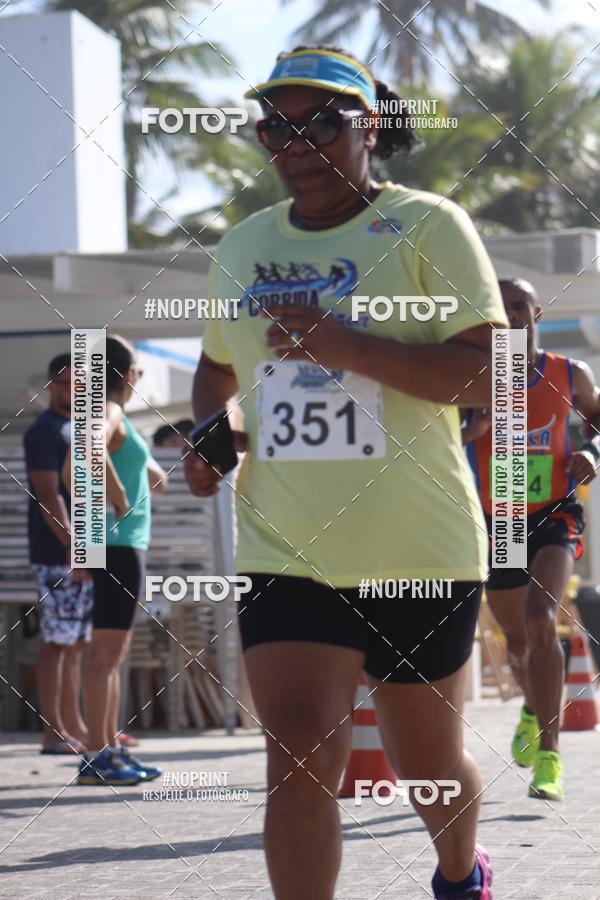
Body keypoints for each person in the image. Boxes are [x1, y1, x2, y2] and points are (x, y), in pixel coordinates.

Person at [185, 44, 507, 900]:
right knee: (295, 756)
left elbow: (487, 373)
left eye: (322, 120)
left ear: (371, 125)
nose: (296, 142)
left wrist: (345, 346)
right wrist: (213, 441)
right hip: (286, 545)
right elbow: (221, 366)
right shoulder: (244, 246)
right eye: (275, 126)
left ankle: (459, 871)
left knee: (425, 764)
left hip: (417, 546)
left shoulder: (430, 226)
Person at [463, 277, 600, 801]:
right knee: (517, 641)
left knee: (543, 621)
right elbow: (434, 439)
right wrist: (465, 435)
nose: (512, 315)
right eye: (500, 307)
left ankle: (550, 756)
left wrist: (591, 453)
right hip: (496, 520)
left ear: (537, 311)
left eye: (520, 306)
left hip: (552, 514)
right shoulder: (472, 378)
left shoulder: (571, 373)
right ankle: (530, 706)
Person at [75, 336, 168, 785]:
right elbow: (88, 451)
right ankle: (96, 756)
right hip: (117, 543)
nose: (139, 380)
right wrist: (118, 494)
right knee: (104, 656)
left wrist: (146, 475)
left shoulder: (118, 417)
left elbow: (144, 469)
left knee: (112, 654)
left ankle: (107, 749)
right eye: (139, 371)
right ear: (126, 372)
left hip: (117, 543)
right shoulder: (109, 410)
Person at [24, 353, 91, 754]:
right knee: (57, 642)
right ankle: (53, 731)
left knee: (77, 642)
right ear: (52, 386)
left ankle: (76, 725)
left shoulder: (75, 428)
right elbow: (48, 497)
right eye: (67, 384)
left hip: (80, 550)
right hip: (58, 552)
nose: (75, 391)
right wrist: (73, 547)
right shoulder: (44, 431)